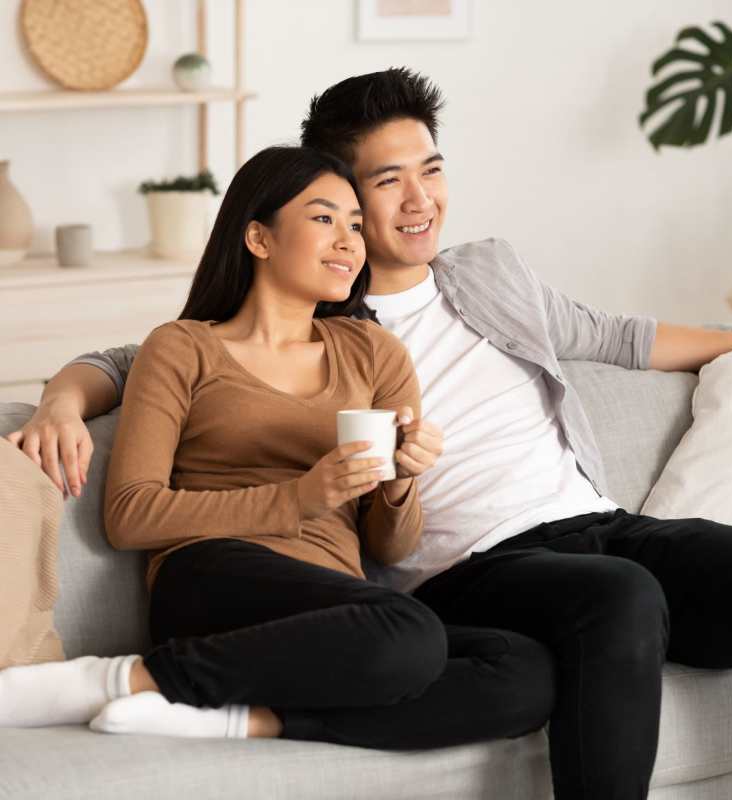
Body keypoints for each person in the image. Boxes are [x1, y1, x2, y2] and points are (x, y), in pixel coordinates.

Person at [8, 68, 732, 798]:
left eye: (431, 169)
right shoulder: (305, 319)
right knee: (616, 598)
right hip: (476, 569)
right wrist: (60, 401)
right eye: (385, 183)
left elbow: (621, 336)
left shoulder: (483, 280)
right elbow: (136, 358)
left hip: (598, 525)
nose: (418, 199)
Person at [0, 145, 555, 749]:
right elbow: (130, 514)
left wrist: (400, 480)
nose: (349, 241)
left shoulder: (374, 352)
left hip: (339, 604)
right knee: (408, 633)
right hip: (212, 575)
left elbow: (389, 546)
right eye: (323, 219)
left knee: (524, 669)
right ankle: (116, 678)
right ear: (259, 238)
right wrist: (299, 497)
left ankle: (240, 718)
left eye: (355, 224)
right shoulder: (183, 347)